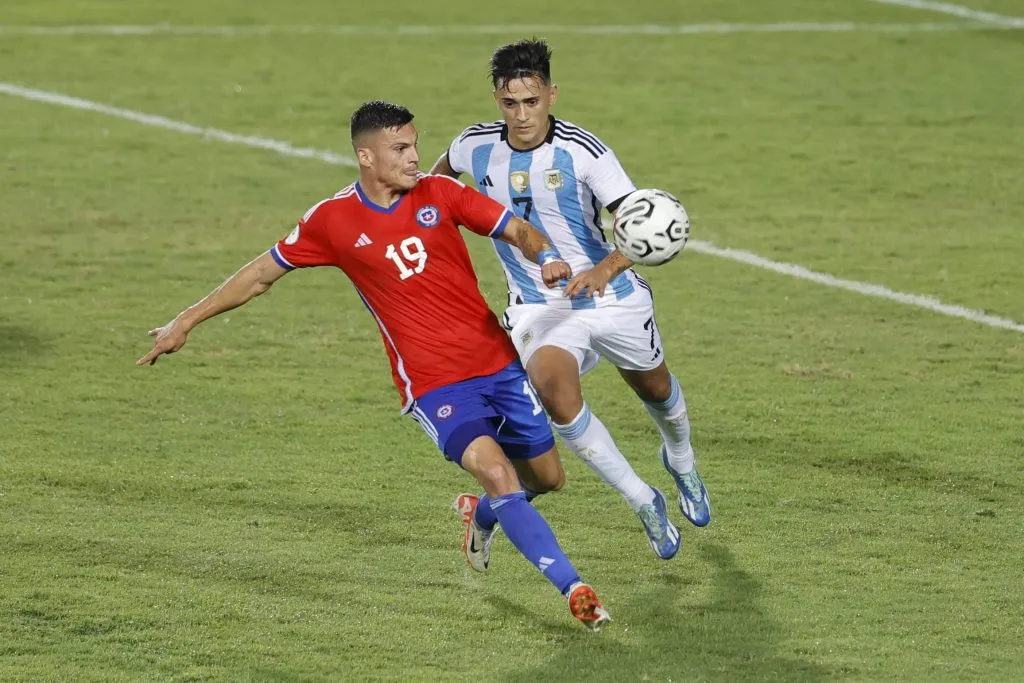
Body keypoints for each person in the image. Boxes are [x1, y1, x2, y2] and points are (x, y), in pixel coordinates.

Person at [137, 100, 611, 631]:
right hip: (433, 384)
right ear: (366, 156)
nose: (415, 158)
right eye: (400, 149)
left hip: (498, 364)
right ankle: (575, 590)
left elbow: (517, 230)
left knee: (546, 479)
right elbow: (260, 275)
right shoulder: (332, 220)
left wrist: (546, 256)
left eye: (415, 145)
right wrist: (186, 320)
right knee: (498, 472)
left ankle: (479, 514)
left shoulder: (441, 193)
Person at [433, 39, 710, 565]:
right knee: (553, 388)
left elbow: (638, 224)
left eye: (531, 101)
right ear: (496, 100)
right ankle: (643, 499)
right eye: (510, 103)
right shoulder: (473, 145)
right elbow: (433, 187)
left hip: (613, 297)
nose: (521, 115)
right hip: (538, 306)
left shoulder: (585, 151)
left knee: (657, 390)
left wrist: (602, 270)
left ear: (551, 94)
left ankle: (680, 459)